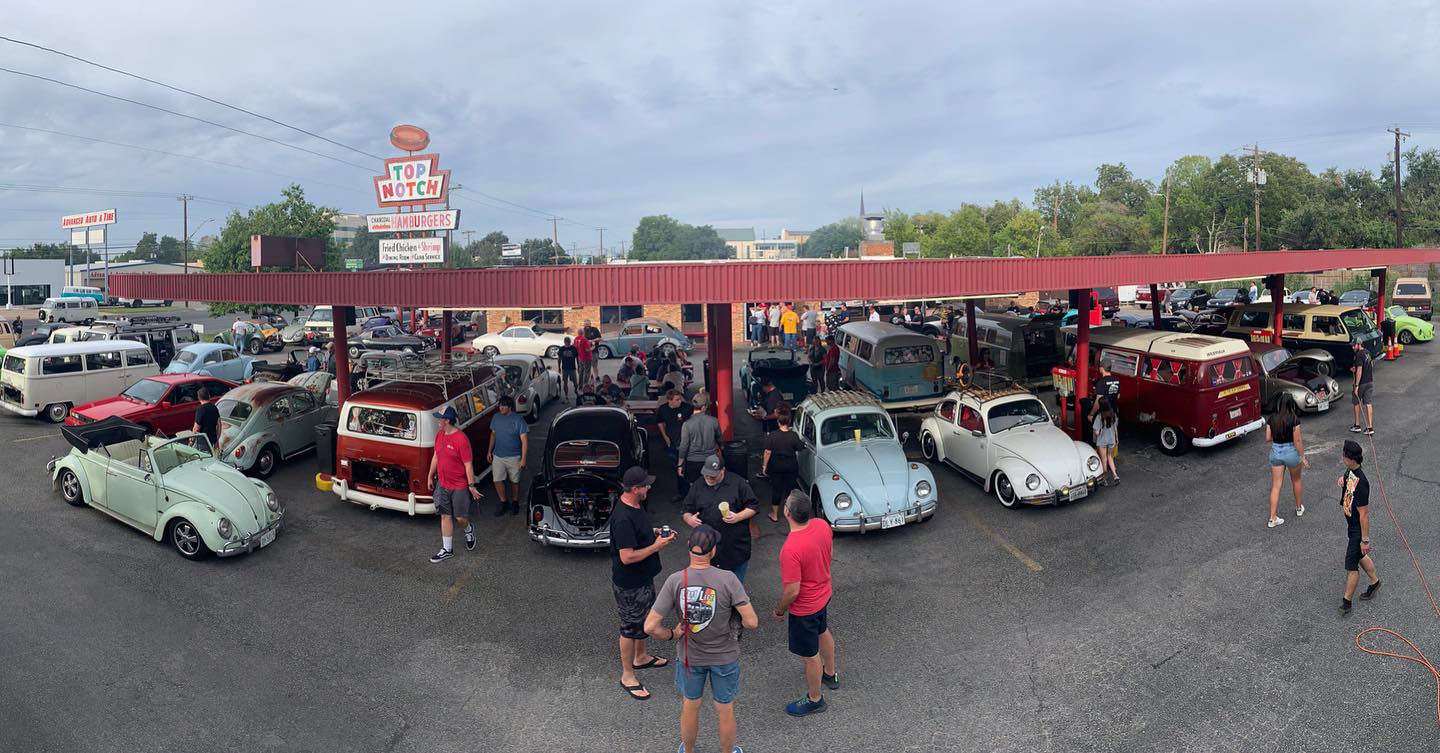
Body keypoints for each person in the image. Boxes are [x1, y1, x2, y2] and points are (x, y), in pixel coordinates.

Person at [645, 525, 758, 753]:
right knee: (724, 708)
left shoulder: (675, 580)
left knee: (691, 705)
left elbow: (650, 626)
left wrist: (672, 634)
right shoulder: (728, 579)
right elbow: (752, 622)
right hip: (724, 656)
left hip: (690, 656)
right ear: (713, 551)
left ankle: (688, 750)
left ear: (689, 547)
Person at [611, 467, 676, 701]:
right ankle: (627, 675)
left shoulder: (636, 505)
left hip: (643, 577)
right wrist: (657, 546)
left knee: (644, 618)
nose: (649, 487)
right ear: (635, 488)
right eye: (645, 485)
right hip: (630, 583)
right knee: (629, 628)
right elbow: (627, 557)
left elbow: (638, 532)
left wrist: (655, 532)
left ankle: (641, 657)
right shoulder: (622, 518)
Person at [774, 490, 838, 717]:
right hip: (823, 594)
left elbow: (793, 590)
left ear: (787, 513)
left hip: (805, 608)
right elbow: (828, 554)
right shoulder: (821, 525)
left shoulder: (791, 549)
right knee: (823, 630)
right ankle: (830, 673)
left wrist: (780, 610)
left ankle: (815, 699)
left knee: (810, 656)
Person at [683, 457, 759, 582]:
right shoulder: (698, 485)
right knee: (711, 587)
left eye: (712, 476)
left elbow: (753, 506)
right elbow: (686, 509)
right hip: (709, 548)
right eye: (706, 475)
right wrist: (689, 519)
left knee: (735, 585)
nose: (708, 478)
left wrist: (738, 517)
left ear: (722, 471)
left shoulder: (738, 483)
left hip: (735, 545)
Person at [425, 406, 482, 563]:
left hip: (459, 486)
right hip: (443, 483)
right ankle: (447, 549)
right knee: (445, 515)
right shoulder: (439, 435)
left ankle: (468, 529)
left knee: (460, 518)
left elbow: (468, 465)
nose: (437, 421)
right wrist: (430, 476)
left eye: (440, 418)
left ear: (447, 420)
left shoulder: (461, 439)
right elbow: (436, 457)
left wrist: (471, 485)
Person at [1338, 440, 1380, 615]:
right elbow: (1348, 481)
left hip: (1357, 530)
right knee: (1360, 556)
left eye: (1344, 455)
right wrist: (1342, 480)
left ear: (1350, 458)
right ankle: (1375, 582)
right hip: (1351, 526)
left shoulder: (1361, 482)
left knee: (1351, 565)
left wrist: (1365, 540)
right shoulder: (1350, 472)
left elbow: (1364, 514)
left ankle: (1346, 602)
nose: (1342, 457)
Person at [1263, 394, 1307, 528]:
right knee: (1296, 480)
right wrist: (1303, 457)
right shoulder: (1294, 419)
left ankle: (1272, 518)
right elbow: (1297, 441)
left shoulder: (1272, 418)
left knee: (1276, 485)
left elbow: (1267, 438)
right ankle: (1298, 508)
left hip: (1276, 452)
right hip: (1291, 452)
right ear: (1291, 404)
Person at [486, 396, 529, 517]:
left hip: (514, 456)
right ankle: (503, 502)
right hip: (498, 455)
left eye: (504, 405)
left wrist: (523, 459)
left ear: (510, 407)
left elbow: (524, 441)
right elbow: (493, 435)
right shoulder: (496, 417)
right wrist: (489, 451)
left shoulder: (518, 420)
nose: (501, 408)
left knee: (515, 481)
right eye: (500, 405)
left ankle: (515, 502)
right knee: (497, 480)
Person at [761, 413, 804, 523]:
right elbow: (799, 448)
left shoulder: (772, 435)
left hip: (776, 465)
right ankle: (790, 513)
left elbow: (767, 452)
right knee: (790, 489)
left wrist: (764, 466)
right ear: (789, 422)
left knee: (776, 489)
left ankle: (774, 515)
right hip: (791, 465)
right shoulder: (793, 435)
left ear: (778, 422)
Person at [677, 393, 723, 490]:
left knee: (695, 487)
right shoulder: (714, 421)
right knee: (712, 485)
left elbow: (684, 446)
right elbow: (719, 439)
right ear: (704, 407)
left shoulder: (687, 424)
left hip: (693, 461)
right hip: (711, 459)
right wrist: (721, 449)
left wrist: (680, 464)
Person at [657, 389, 694, 501]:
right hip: (672, 443)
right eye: (677, 400)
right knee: (678, 470)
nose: (680, 401)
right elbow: (660, 422)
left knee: (687, 468)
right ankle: (682, 492)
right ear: (670, 400)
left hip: (687, 444)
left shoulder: (687, 408)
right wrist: (665, 437)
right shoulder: (663, 409)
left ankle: (690, 493)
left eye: (680, 399)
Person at [1350, 339, 1374, 436]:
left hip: (1361, 383)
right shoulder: (1367, 352)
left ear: (1359, 344)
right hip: (1370, 381)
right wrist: (1355, 369)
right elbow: (1371, 364)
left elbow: (1359, 370)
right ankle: (1370, 427)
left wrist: (1356, 385)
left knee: (1356, 402)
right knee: (1368, 403)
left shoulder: (1358, 355)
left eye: (1354, 345)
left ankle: (1357, 425)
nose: (1352, 347)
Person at [1092, 407, 1119, 486]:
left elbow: (1096, 432)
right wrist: (1117, 438)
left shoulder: (1099, 416)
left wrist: (1096, 433)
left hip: (1102, 441)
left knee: (1104, 460)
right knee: (1110, 457)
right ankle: (1115, 476)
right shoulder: (1113, 415)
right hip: (1111, 440)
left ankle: (1104, 479)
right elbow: (1115, 428)